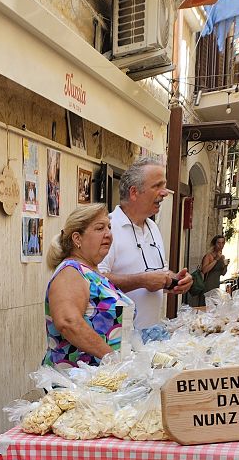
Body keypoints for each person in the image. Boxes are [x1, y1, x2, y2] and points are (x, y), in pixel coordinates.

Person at [98, 156, 192, 331]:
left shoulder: (153, 228)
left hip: (149, 338)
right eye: (157, 186)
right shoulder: (108, 228)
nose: (164, 192)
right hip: (117, 343)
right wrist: (141, 281)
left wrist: (175, 280)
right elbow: (95, 281)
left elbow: (159, 273)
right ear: (134, 192)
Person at [43, 203, 133, 367]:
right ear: (77, 238)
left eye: (109, 227)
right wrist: (112, 359)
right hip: (76, 380)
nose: (108, 234)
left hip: (103, 378)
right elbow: (68, 322)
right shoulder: (71, 271)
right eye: (100, 228)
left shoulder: (92, 272)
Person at [189, 235, 228, 308]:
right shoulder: (209, 256)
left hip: (216, 286)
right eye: (218, 243)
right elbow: (204, 270)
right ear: (214, 244)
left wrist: (225, 265)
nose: (221, 245)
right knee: (205, 308)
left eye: (222, 243)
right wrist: (216, 260)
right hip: (207, 286)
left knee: (214, 309)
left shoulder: (222, 257)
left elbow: (223, 273)